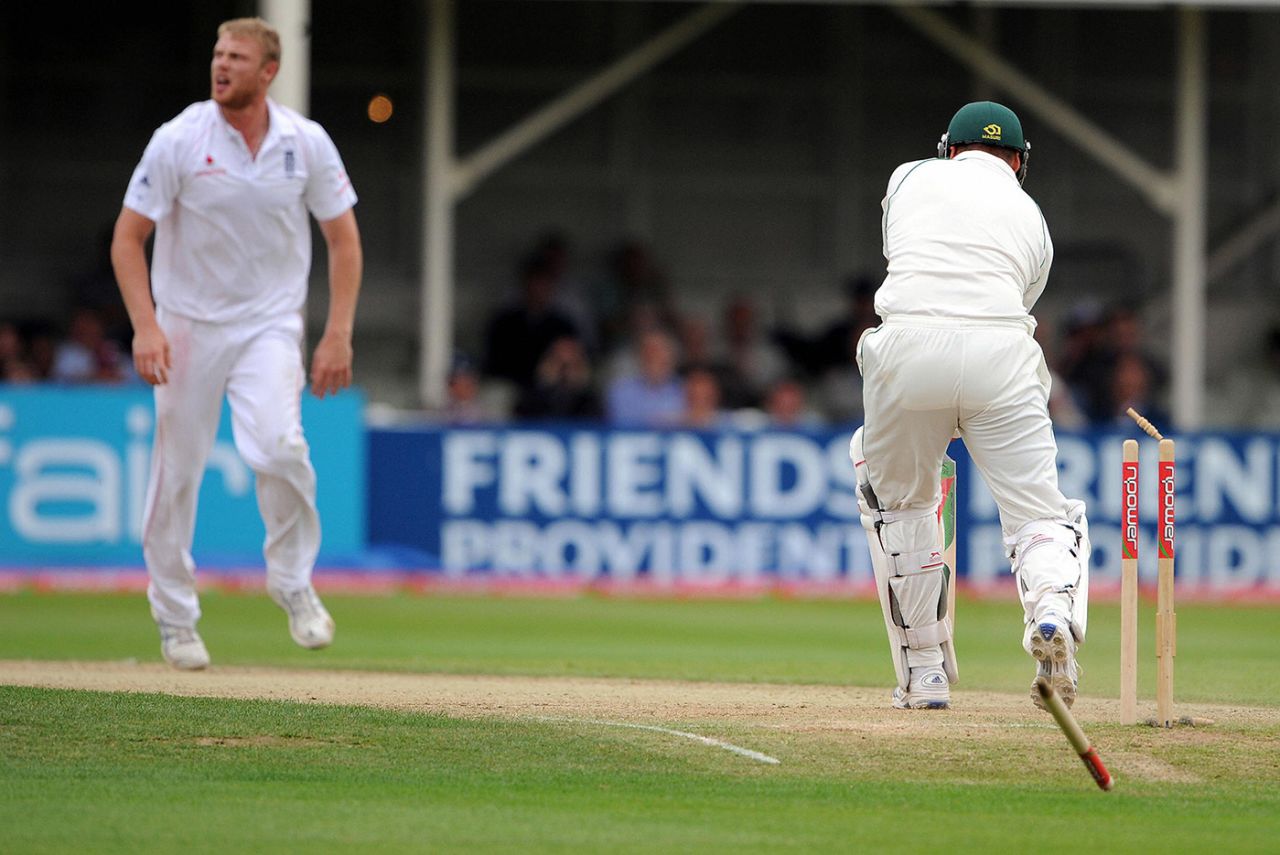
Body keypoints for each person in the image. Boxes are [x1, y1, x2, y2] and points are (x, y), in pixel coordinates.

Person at [110, 17, 363, 670]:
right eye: (218, 54)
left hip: (269, 324)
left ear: (268, 71)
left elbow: (343, 239)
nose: (221, 65)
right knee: (176, 472)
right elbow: (127, 238)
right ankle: (174, 617)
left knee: (280, 445)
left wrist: (337, 332)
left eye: (238, 57)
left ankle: (291, 580)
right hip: (188, 323)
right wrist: (146, 323)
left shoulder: (305, 143)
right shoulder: (180, 139)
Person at [851, 101, 1090, 712]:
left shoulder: (907, 178)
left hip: (908, 348)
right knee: (1039, 513)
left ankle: (925, 673)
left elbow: (899, 249)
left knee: (900, 504)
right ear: (1019, 160)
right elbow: (1021, 292)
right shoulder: (1033, 217)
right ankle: (1053, 613)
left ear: (948, 149)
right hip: (1000, 352)